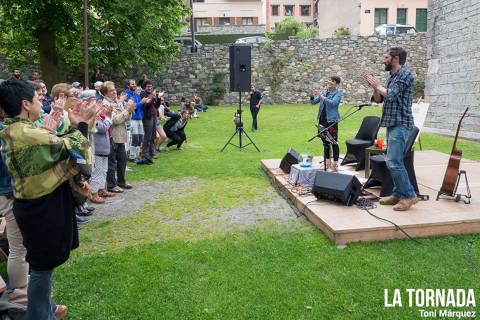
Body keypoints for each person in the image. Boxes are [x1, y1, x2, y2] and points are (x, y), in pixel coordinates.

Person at [0, 79, 96, 320]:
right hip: (41, 209)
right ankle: (39, 316)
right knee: (42, 269)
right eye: (37, 98)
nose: (40, 102)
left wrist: (53, 131)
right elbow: (76, 152)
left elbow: (50, 147)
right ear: (25, 104)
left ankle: (46, 312)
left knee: (43, 267)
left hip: (35, 207)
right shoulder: (27, 135)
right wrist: (80, 124)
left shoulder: (18, 131)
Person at [362, 46, 417, 211]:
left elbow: (391, 94)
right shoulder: (391, 76)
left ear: (396, 58)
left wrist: (379, 86)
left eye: (386, 57)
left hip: (401, 124)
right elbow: (379, 99)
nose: (384, 60)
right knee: (392, 161)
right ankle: (398, 194)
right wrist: (375, 87)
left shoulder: (405, 75)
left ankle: (408, 196)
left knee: (394, 162)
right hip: (392, 123)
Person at [101, 81, 135, 192]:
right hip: (112, 136)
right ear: (105, 93)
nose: (114, 92)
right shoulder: (105, 103)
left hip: (120, 136)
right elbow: (114, 120)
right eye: (111, 90)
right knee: (111, 162)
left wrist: (130, 110)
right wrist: (127, 111)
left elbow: (126, 117)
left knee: (122, 159)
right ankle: (111, 185)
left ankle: (121, 181)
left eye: (114, 89)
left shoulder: (117, 102)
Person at [309, 76, 342, 172]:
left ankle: (335, 165)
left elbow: (333, 103)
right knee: (325, 142)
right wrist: (312, 94)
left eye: (333, 81)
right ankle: (327, 163)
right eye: (330, 80)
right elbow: (313, 102)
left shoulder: (337, 94)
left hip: (331, 120)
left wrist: (321, 96)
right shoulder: (323, 92)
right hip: (322, 119)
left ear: (336, 84)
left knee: (334, 142)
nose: (330, 82)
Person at [138, 80, 163, 164]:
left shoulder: (151, 95)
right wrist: (153, 97)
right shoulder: (143, 94)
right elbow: (147, 105)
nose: (150, 88)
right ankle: (145, 154)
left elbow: (156, 105)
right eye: (148, 86)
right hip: (147, 117)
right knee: (147, 136)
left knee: (153, 135)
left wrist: (158, 98)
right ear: (145, 87)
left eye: (151, 86)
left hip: (154, 116)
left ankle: (152, 152)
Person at [125, 79, 143, 162]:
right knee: (135, 138)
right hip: (133, 119)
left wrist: (144, 103)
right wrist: (141, 103)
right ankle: (132, 156)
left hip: (139, 118)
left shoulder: (136, 95)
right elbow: (131, 107)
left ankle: (137, 155)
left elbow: (139, 106)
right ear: (128, 86)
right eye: (132, 84)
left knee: (140, 137)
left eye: (135, 84)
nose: (134, 85)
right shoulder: (126, 94)